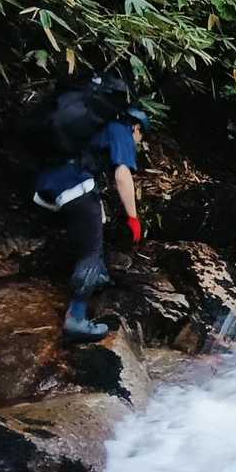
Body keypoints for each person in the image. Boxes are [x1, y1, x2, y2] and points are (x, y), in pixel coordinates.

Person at [31, 76, 149, 342]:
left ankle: (100, 276)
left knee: (93, 225)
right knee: (90, 253)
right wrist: (133, 218)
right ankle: (77, 319)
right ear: (137, 127)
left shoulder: (91, 127)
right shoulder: (121, 129)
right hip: (76, 187)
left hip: (48, 186)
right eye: (141, 136)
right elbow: (122, 175)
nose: (139, 142)